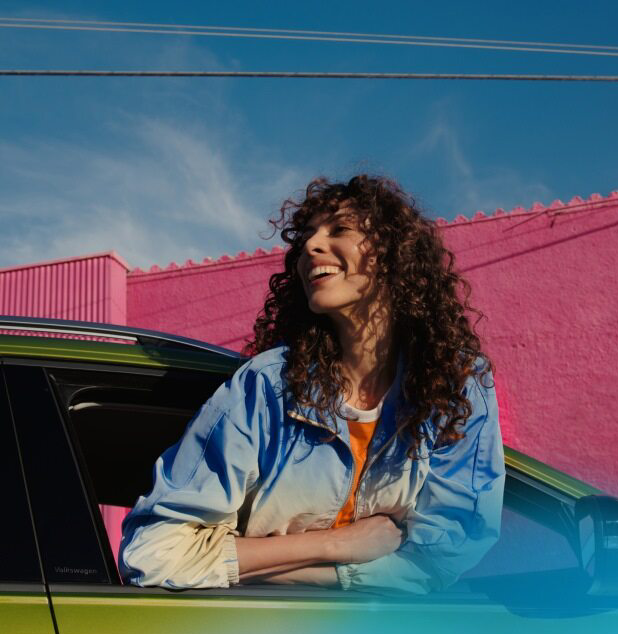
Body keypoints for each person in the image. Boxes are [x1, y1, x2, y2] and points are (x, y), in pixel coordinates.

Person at [119, 174, 505, 595]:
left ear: (395, 256)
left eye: (339, 229)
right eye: (306, 235)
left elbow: (443, 555)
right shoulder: (267, 386)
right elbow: (152, 554)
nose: (310, 246)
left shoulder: (454, 387)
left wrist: (295, 570)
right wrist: (338, 545)